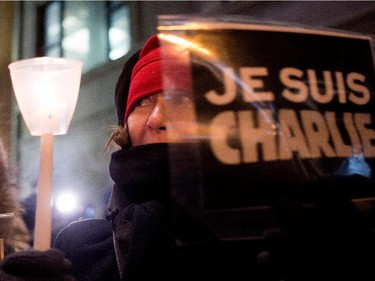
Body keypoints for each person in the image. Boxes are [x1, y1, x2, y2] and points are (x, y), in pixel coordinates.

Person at [1, 34, 375, 281]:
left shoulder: (290, 234)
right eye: (143, 102)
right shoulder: (82, 250)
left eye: (180, 98)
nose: (158, 118)